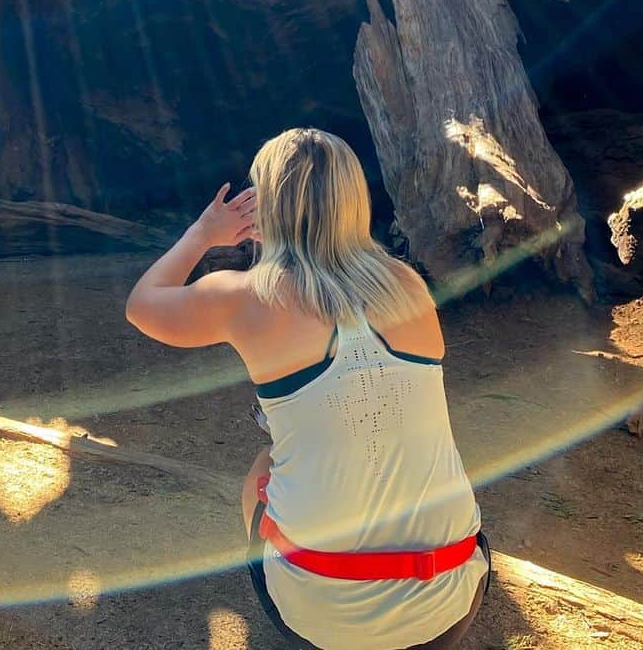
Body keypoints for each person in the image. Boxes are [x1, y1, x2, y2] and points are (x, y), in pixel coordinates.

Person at [125, 127, 489, 649]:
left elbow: (143, 305)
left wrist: (204, 233)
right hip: (450, 604)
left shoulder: (247, 298)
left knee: (263, 468)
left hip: (324, 611)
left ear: (265, 205)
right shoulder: (407, 284)